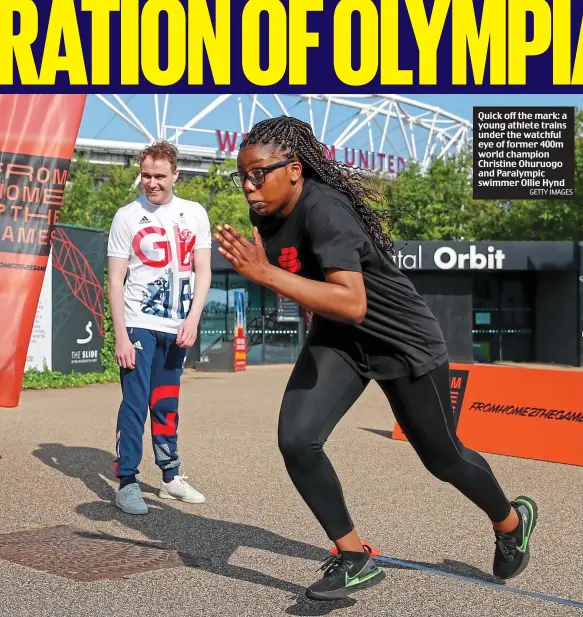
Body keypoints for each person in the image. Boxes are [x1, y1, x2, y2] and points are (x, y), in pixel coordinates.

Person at [214, 117, 538, 601]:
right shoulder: (268, 213)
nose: (248, 186)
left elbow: (353, 302)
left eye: (258, 174)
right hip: (340, 341)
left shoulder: (326, 210)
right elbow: (311, 284)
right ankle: (353, 558)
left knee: (443, 458)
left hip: (402, 343)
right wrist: (292, 297)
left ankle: (511, 521)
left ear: (295, 169)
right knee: (297, 440)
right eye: (241, 175)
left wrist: (263, 274)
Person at [107, 141, 212, 515]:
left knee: (166, 402)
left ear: (175, 175)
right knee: (136, 404)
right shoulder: (126, 216)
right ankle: (128, 482)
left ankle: (170, 477)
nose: (151, 183)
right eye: (146, 175)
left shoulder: (194, 213)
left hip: (177, 326)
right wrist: (121, 334)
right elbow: (115, 279)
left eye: (159, 176)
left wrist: (193, 318)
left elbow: (204, 270)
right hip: (139, 323)